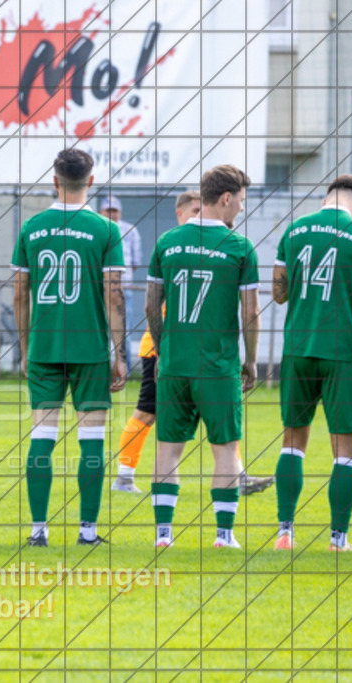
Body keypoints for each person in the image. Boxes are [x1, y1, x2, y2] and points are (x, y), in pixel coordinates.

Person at [112, 190, 275, 496]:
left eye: (204, 208)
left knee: (219, 418)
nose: (202, 215)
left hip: (187, 353)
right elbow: (155, 306)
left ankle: (237, 475)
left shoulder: (197, 248)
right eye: (196, 210)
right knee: (147, 412)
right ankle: (124, 475)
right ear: (181, 214)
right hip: (162, 349)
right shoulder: (175, 247)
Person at [12, 149, 128, 548]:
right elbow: (115, 296)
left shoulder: (32, 227)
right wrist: (120, 354)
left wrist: (25, 348)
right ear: (91, 182)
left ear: (55, 180)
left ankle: (38, 531)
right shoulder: (106, 230)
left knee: (41, 436)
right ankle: (87, 531)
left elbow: (19, 294)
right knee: (91, 440)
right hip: (91, 349)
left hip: (44, 347)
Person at [147, 164, 260, 550]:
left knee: (168, 449)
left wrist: (163, 350)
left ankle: (164, 535)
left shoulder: (168, 241)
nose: (242, 209)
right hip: (217, 366)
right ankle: (224, 536)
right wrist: (252, 360)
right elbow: (250, 313)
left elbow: (151, 306)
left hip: (175, 364)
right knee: (225, 449)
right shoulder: (239, 247)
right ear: (226, 199)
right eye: (241, 201)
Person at [275, 174, 352, 552]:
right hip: (342, 352)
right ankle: (338, 540)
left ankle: (284, 533)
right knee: (346, 449)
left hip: (297, 349)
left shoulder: (294, 230)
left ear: (327, 197)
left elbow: (279, 291)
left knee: (292, 441)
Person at [99, 195, 140, 368]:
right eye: (108, 211)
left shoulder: (130, 231)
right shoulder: (97, 229)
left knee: (124, 331)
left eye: (114, 211)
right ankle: (99, 370)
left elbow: (135, 262)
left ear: (120, 212)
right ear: (101, 212)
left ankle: (125, 369)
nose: (111, 214)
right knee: (99, 331)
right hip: (99, 289)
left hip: (123, 289)